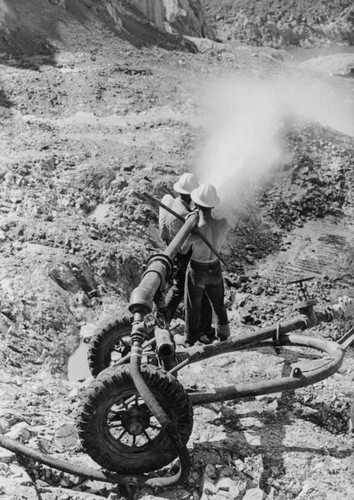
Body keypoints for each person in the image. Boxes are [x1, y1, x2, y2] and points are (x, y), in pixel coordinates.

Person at [158, 173, 213, 336]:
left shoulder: (175, 204)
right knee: (197, 290)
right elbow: (185, 245)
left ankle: (161, 322)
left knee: (178, 289)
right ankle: (203, 332)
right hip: (183, 256)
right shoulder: (184, 215)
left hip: (175, 253)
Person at [180, 183, 230, 347]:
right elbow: (220, 221)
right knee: (218, 305)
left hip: (197, 268)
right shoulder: (223, 224)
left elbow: (182, 249)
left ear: (196, 204)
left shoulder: (197, 231)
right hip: (215, 267)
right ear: (213, 205)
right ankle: (225, 336)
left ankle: (189, 340)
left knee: (193, 306)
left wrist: (189, 225)